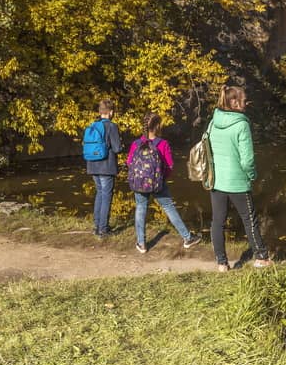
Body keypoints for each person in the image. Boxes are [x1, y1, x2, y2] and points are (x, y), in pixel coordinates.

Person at [207, 85, 270, 271]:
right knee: (249, 219)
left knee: (217, 222)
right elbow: (247, 159)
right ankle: (261, 258)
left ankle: (221, 263)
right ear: (233, 102)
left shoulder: (213, 122)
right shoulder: (242, 124)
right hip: (237, 182)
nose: (246, 103)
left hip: (216, 180)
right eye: (243, 100)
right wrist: (252, 175)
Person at [126, 113, 201, 253]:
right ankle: (187, 238)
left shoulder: (136, 144)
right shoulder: (162, 143)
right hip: (157, 183)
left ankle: (141, 244)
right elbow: (169, 166)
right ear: (158, 126)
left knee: (141, 208)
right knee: (168, 207)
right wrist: (161, 178)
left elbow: (129, 163)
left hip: (139, 184)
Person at [83, 99, 123, 237]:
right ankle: (103, 229)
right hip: (106, 166)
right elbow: (117, 148)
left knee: (99, 194)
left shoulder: (93, 125)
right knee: (106, 196)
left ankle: (97, 226)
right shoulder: (112, 126)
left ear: (100, 112)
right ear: (111, 112)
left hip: (93, 165)